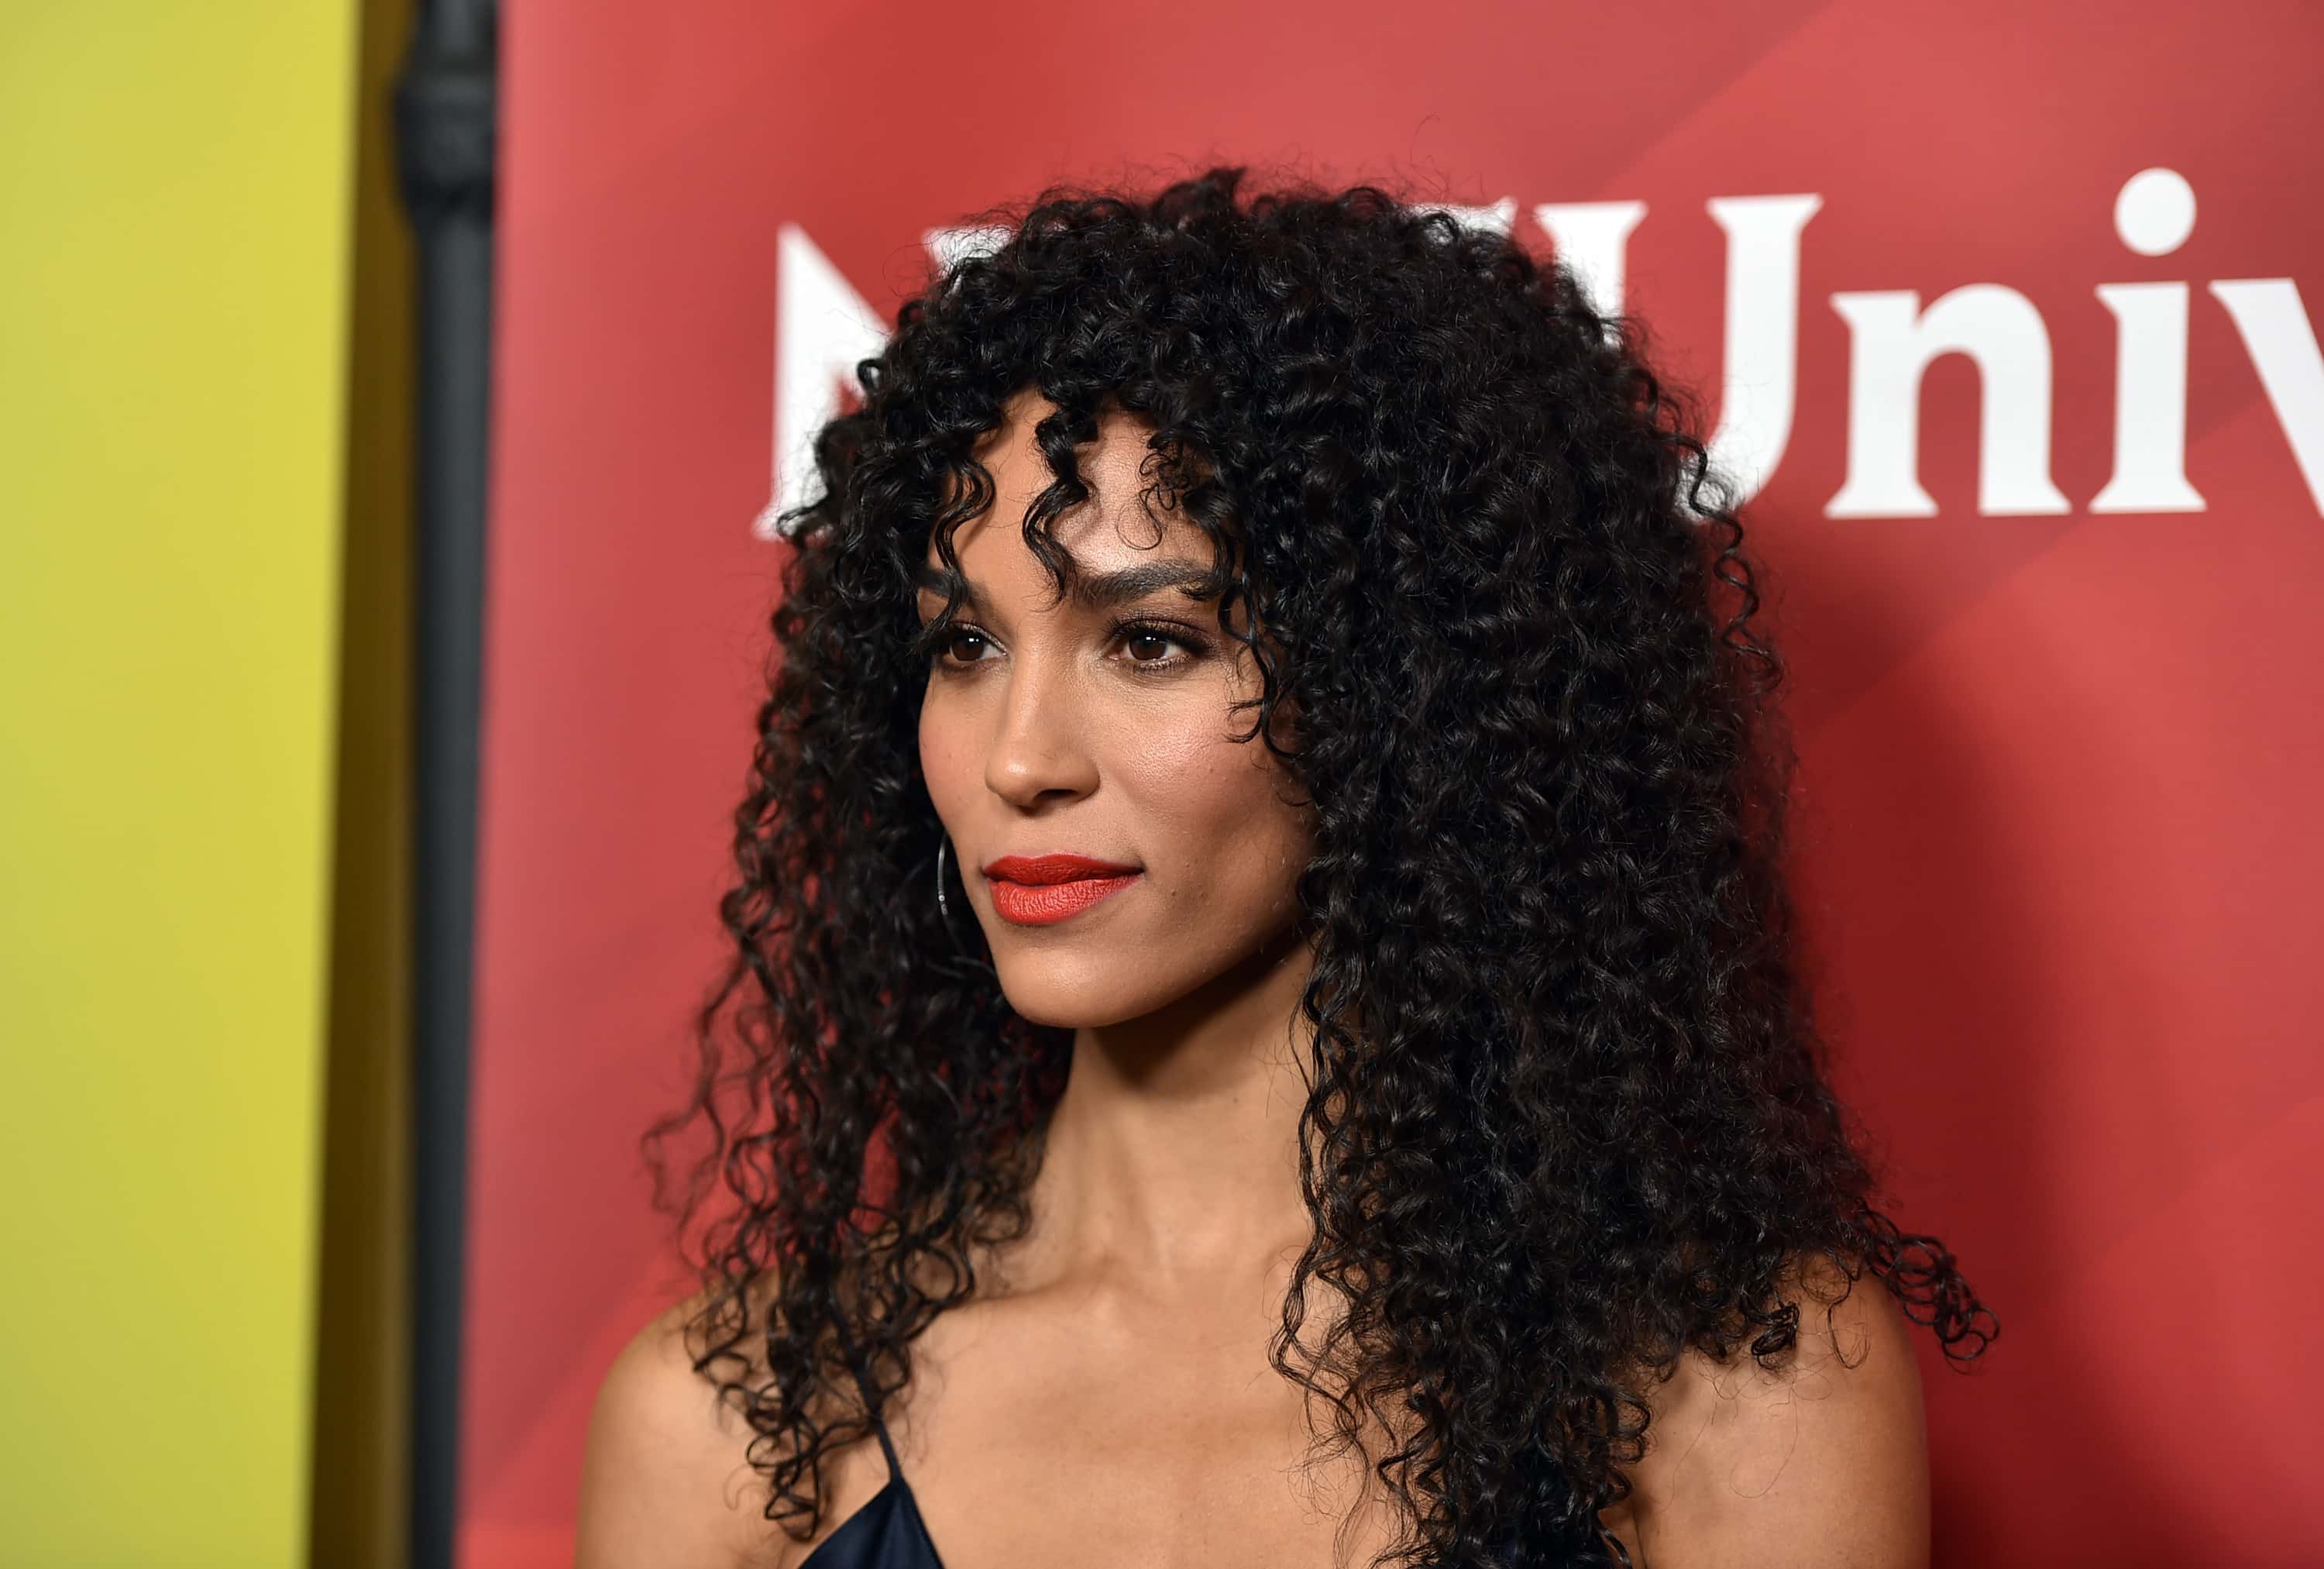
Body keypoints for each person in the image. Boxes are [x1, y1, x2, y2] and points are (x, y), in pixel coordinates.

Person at [574, 166, 1994, 1568]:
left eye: (1151, 640)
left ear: (1404, 696)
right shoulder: (733, 1427)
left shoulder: (1736, 1390)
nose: (1018, 760)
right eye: (966, 645)